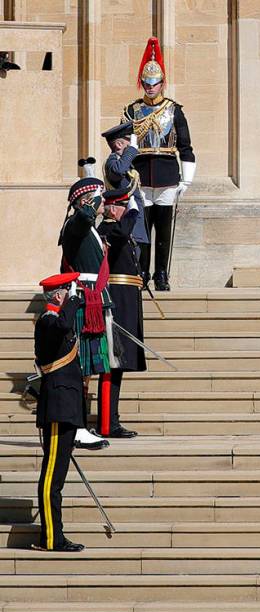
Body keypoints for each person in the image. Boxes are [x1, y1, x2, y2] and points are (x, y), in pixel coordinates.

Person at [122, 37, 196, 291]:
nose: (150, 87)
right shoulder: (133, 111)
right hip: (141, 175)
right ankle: (142, 272)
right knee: (142, 230)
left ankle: (161, 273)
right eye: (146, 83)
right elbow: (127, 145)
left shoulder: (174, 110)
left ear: (162, 83)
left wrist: (186, 179)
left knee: (163, 228)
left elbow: (185, 146)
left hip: (166, 174)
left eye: (154, 83)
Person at [34, 272, 89, 552]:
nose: (72, 296)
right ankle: (52, 537)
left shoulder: (59, 321)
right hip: (56, 408)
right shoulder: (48, 321)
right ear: (58, 295)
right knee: (51, 479)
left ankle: (54, 534)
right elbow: (62, 323)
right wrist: (73, 301)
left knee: (58, 477)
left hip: (66, 408)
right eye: (67, 291)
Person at [58, 175, 113, 451]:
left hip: (93, 298)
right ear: (87, 200)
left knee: (88, 369)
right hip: (82, 300)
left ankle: (79, 426)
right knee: (80, 368)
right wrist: (91, 204)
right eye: (99, 198)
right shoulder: (75, 225)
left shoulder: (89, 227)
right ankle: (77, 428)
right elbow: (82, 219)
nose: (103, 203)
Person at [96, 188, 147, 438]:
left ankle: (111, 420)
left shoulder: (117, 230)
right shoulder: (108, 230)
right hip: (117, 303)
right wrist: (132, 211)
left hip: (126, 301)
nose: (130, 214)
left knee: (118, 365)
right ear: (115, 209)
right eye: (126, 208)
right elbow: (121, 232)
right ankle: (107, 423)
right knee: (112, 364)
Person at [101, 121, 150, 279]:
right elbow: (118, 171)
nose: (133, 148)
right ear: (120, 144)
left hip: (133, 221)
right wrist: (131, 151)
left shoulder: (127, 166)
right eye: (129, 143)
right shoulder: (112, 163)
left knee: (134, 259)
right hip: (123, 220)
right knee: (127, 263)